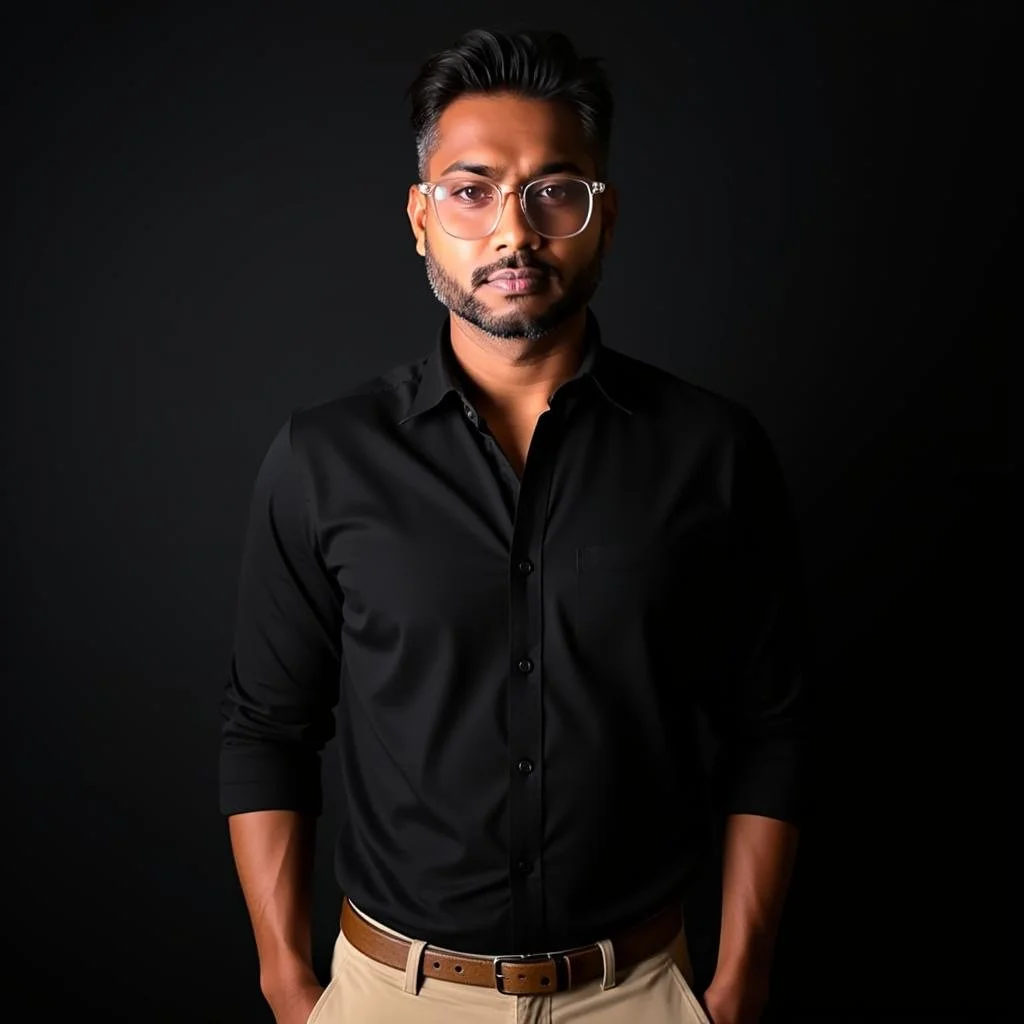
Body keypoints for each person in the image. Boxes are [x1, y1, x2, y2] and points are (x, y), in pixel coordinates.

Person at [220, 26, 809, 1024]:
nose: (513, 230)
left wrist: (736, 982)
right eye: (471, 188)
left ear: (603, 215)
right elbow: (267, 730)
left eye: (554, 191)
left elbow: (771, 729)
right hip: (389, 997)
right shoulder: (322, 457)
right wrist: (289, 983)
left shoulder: (713, 452)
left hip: (640, 992)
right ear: (418, 217)